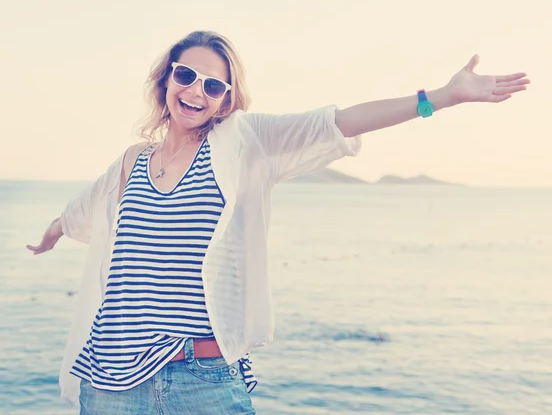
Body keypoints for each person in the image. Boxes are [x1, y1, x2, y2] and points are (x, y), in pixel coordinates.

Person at [27, 30, 529, 414]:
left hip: (200, 380)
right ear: (166, 79)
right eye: (186, 76)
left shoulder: (246, 145)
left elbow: (340, 121)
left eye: (214, 85)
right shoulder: (132, 162)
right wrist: (53, 231)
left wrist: (440, 97)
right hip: (110, 382)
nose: (196, 91)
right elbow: (84, 211)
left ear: (227, 98)